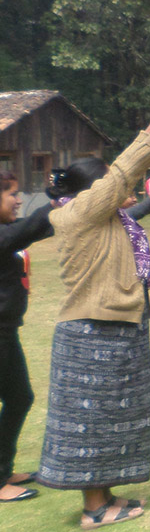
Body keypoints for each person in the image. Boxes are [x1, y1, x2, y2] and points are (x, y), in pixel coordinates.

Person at [37, 88, 150, 528]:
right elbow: (123, 172)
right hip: (90, 333)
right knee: (91, 424)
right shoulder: (78, 214)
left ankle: (107, 495)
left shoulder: (108, 218)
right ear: (94, 191)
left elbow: (125, 183)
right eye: (108, 184)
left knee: (114, 422)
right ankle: (93, 509)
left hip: (116, 328)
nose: (123, 189)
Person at [0, 170, 53, 503]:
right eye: (11, 194)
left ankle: (4, 469)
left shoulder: (7, 230)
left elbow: (34, 230)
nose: (19, 199)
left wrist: (66, 205)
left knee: (20, 398)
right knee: (17, 397)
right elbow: (27, 230)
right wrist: (54, 203)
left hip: (6, 331)